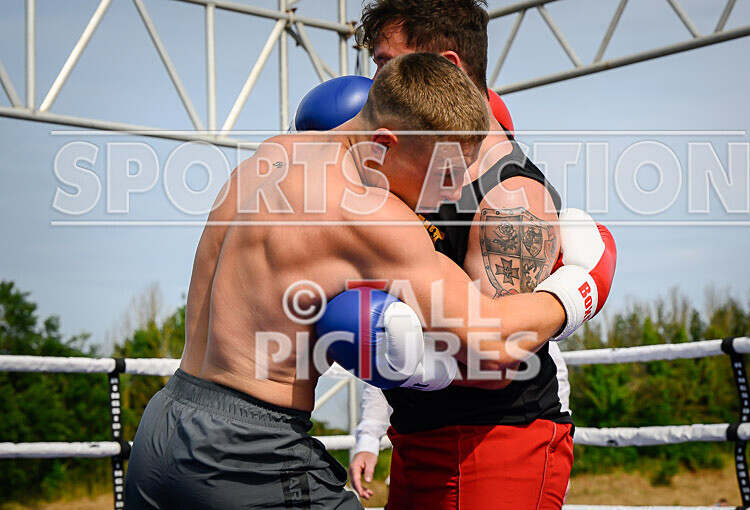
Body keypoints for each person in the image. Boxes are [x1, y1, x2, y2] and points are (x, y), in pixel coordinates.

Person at [123, 53, 606, 509]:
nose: (453, 189)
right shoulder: (371, 216)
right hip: (246, 454)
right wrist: (579, 285)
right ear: (385, 144)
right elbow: (494, 341)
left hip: (161, 430)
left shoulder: (271, 155)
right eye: (444, 171)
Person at [347, 1, 614, 508]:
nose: (373, 83)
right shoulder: (406, 162)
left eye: (386, 63)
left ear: (447, 67)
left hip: (496, 443)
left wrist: (574, 296)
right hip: (417, 432)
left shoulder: (510, 196)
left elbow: (493, 359)